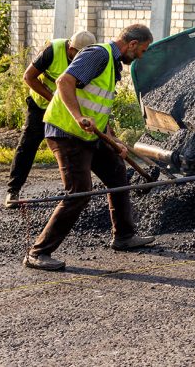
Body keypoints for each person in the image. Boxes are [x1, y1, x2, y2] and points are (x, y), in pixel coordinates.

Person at [23, 24, 156, 271]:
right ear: (132, 44)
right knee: (79, 191)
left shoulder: (112, 64)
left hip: (89, 135)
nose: (141, 56)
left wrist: (112, 140)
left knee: (117, 174)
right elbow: (65, 81)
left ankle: (124, 236)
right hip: (67, 132)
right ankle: (38, 252)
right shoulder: (99, 54)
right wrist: (76, 117)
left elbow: (97, 106)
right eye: (143, 50)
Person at [4, 31, 96, 208]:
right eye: (75, 55)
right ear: (70, 47)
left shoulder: (92, 58)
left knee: (77, 146)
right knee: (28, 145)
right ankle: (13, 190)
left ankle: (79, 192)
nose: (78, 59)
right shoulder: (52, 50)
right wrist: (53, 98)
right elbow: (28, 77)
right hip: (41, 106)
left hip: (68, 109)